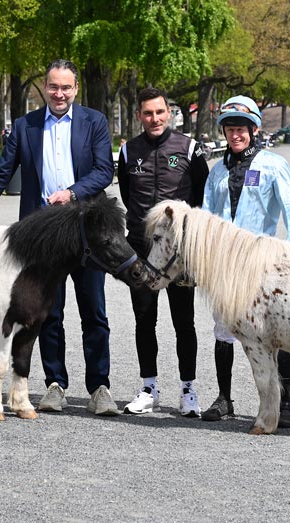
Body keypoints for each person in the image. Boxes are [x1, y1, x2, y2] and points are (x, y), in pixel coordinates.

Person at [0, 59, 120, 416]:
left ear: (76, 89)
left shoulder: (94, 122)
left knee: (94, 312)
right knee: (46, 313)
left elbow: (104, 170)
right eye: (53, 87)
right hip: (41, 238)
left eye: (66, 87)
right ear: (45, 87)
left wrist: (71, 192)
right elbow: (0, 174)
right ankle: (55, 384)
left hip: (83, 233)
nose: (59, 94)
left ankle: (99, 387)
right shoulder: (25, 126)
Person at [200, 95, 290, 428]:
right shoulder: (217, 170)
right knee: (224, 330)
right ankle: (224, 398)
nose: (235, 135)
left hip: (261, 261)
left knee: (278, 332)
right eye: (230, 129)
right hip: (224, 263)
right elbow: (206, 212)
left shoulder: (273, 164)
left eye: (241, 129)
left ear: (254, 129)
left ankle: (287, 402)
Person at [117, 87, 210, 417]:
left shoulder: (189, 148)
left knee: (184, 322)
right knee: (145, 320)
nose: (153, 118)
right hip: (142, 251)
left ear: (168, 113)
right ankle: (149, 387)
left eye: (159, 112)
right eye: (147, 113)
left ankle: (188, 390)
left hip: (179, 255)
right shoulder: (129, 151)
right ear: (139, 115)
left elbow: (202, 193)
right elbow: (127, 195)